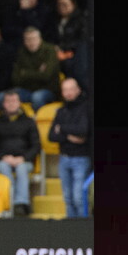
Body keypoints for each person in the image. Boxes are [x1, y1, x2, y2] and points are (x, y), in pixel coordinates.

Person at [0, 90, 41, 217]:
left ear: (19, 103)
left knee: (22, 168)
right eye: (8, 101)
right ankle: (10, 202)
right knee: (3, 167)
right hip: (2, 160)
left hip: (24, 160)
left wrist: (23, 158)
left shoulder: (29, 122)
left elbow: (36, 146)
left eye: (14, 101)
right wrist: (3, 157)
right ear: (3, 104)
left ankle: (20, 204)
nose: (11, 104)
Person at [48, 78, 92, 217]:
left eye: (71, 89)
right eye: (65, 90)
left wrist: (61, 129)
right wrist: (69, 136)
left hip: (81, 158)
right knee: (68, 199)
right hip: (64, 158)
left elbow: (83, 131)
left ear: (78, 89)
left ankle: (83, 227)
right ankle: (71, 228)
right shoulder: (61, 111)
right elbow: (51, 136)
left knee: (78, 198)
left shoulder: (86, 108)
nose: (68, 93)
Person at [1, 26, 61, 111]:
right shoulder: (21, 52)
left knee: (37, 97)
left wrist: (25, 73)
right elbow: (15, 78)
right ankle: (12, 119)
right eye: (28, 39)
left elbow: (46, 76)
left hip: (48, 90)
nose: (31, 42)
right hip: (26, 90)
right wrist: (38, 73)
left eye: (33, 39)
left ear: (40, 39)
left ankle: (34, 119)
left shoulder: (49, 50)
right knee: (2, 97)